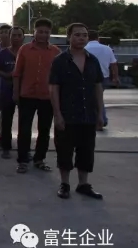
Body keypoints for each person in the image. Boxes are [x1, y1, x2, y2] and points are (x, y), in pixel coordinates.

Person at [49, 23, 104, 200]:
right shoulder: (60, 61)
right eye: (77, 35)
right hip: (67, 114)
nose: (81, 38)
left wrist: (100, 112)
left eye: (84, 35)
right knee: (64, 150)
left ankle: (83, 184)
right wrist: (57, 114)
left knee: (86, 150)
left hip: (88, 114)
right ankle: (65, 184)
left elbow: (98, 87)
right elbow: (54, 88)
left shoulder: (92, 60)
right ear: (69, 37)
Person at [12, 18, 61, 174]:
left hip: (47, 97)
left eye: (46, 32)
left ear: (50, 33)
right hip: (27, 95)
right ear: (34, 32)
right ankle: (22, 160)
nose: (43, 35)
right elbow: (17, 73)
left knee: (44, 130)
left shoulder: (56, 52)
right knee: (24, 129)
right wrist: (16, 93)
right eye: (40, 31)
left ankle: (39, 159)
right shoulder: (25, 49)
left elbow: (59, 78)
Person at [0, 26, 25, 159]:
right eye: (13, 35)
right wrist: (6, 75)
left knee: (24, 122)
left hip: (25, 91)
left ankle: (24, 149)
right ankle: (5, 147)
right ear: (9, 37)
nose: (16, 38)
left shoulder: (27, 52)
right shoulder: (2, 54)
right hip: (6, 90)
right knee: (6, 120)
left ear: (23, 37)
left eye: (19, 35)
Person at [85, 30, 120, 128]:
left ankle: (100, 119)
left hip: (88, 77)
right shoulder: (107, 49)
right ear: (98, 38)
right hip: (104, 77)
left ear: (87, 37)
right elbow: (113, 64)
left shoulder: (85, 48)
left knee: (92, 98)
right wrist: (116, 77)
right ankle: (100, 119)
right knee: (98, 98)